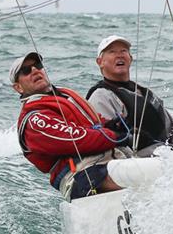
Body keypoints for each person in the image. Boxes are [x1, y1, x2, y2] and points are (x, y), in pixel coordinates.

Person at [11, 51, 132, 200]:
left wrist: (112, 126)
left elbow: (90, 123)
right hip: (84, 176)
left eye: (38, 65)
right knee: (148, 174)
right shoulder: (34, 120)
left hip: (109, 163)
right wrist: (117, 137)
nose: (35, 70)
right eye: (26, 70)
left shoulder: (64, 95)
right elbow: (77, 138)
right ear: (18, 87)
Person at [86, 35, 173, 155]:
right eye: (112, 51)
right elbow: (107, 140)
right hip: (141, 162)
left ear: (130, 59)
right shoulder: (101, 96)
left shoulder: (144, 92)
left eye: (123, 51)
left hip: (169, 153)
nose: (119, 55)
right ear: (100, 62)